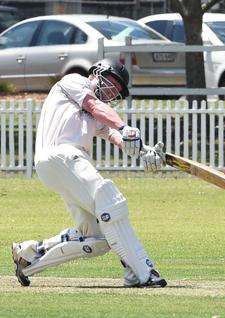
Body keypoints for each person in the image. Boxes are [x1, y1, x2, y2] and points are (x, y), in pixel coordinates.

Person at [11, 59, 166, 288]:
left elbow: (114, 135)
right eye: (113, 81)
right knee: (110, 201)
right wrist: (125, 128)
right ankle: (143, 271)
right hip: (61, 154)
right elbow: (95, 107)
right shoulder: (74, 81)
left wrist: (143, 151)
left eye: (118, 90)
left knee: (97, 238)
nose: (113, 90)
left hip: (61, 168)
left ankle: (30, 255)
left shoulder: (97, 116)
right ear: (97, 73)